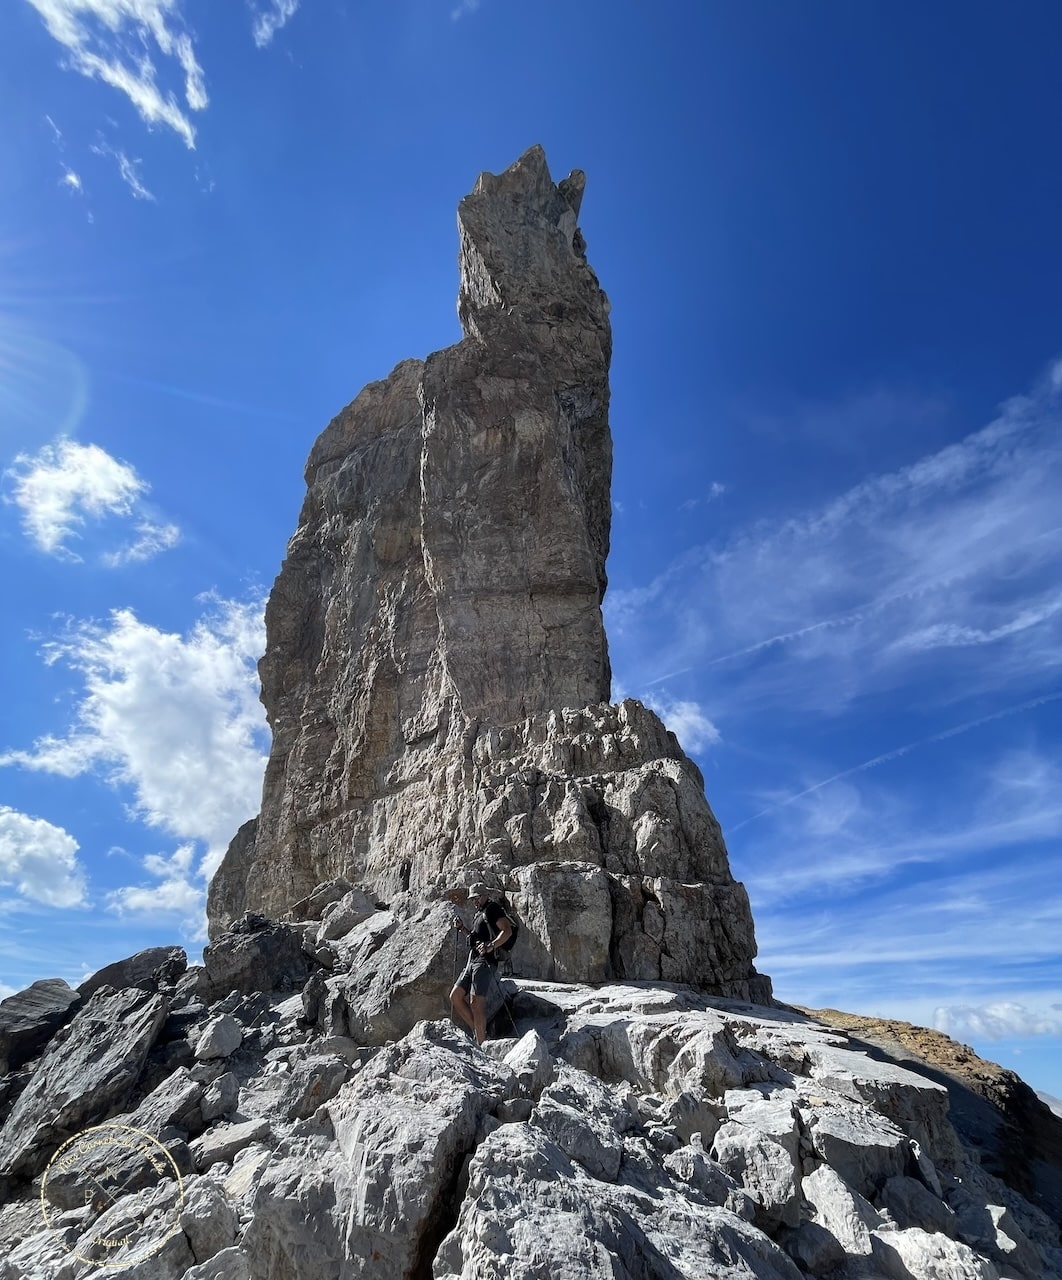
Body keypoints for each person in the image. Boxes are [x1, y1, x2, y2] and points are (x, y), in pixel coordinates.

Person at [449, 881, 512, 1044]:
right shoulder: (480, 913)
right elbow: (476, 938)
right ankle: (481, 1034)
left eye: (477, 898)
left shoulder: (492, 909)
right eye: (472, 899)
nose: (474, 901)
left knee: (475, 1002)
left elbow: (507, 930)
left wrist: (491, 945)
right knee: (455, 996)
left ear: (485, 895)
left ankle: (481, 1043)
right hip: (473, 960)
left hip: (485, 962)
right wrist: (462, 928)